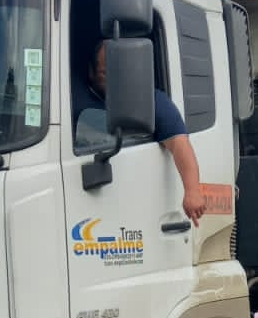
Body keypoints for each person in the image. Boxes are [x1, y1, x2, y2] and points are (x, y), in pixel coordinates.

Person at [75, 40, 205, 226]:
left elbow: (179, 143)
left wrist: (192, 191)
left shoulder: (151, 101)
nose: (115, 80)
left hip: (135, 205)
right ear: (91, 71)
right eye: (106, 73)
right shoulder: (73, 98)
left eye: (121, 72)